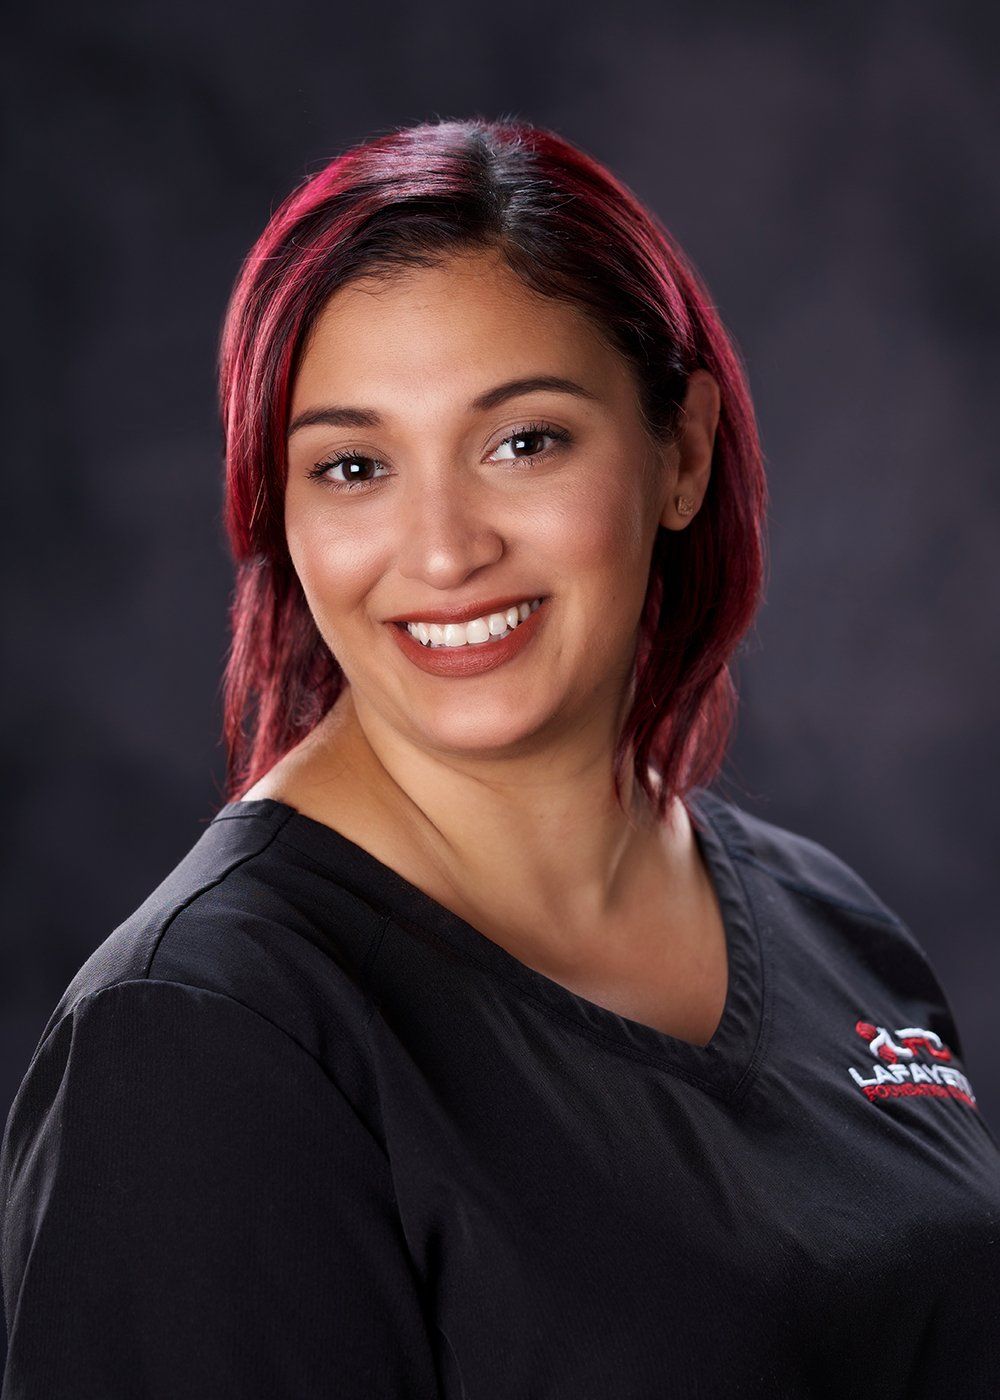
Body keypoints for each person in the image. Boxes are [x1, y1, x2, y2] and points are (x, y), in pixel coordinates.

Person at [1, 116, 998, 1399]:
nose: (442, 549)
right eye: (353, 466)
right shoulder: (204, 1040)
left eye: (523, 440)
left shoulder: (827, 921)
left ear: (680, 452)